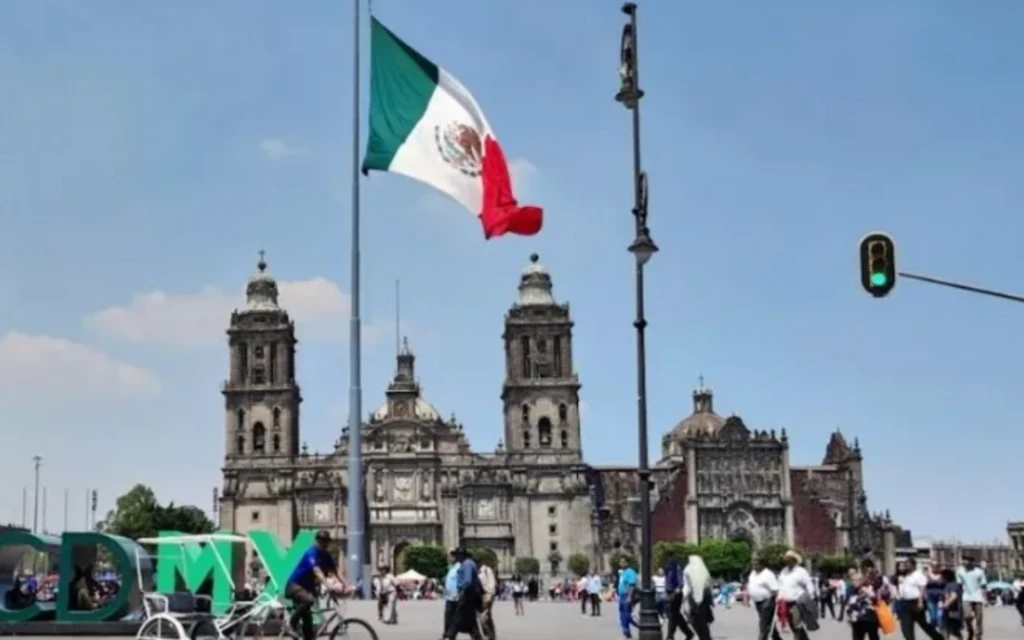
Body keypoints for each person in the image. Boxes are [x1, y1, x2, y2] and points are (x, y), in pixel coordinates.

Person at [284, 530, 348, 640]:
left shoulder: (326, 555)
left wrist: (347, 585)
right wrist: (328, 585)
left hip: (306, 589)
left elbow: (336, 571)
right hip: (293, 586)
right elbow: (317, 571)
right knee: (309, 600)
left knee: (309, 629)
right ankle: (290, 624)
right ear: (317, 541)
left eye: (327, 541)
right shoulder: (310, 553)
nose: (325, 543)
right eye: (322, 541)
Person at [895, 559, 943, 640]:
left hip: (916, 603)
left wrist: (920, 602)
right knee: (906, 627)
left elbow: (922, 588)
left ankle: (938, 638)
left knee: (924, 625)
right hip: (905, 604)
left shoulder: (918, 575)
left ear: (913, 565)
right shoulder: (906, 575)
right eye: (905, 564)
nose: (906, 566)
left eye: (908, 564)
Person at [443, 548, 482, 640]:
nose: (455, 557)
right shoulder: (466, 563)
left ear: (461, 555)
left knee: (458, 615)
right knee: (469, 617)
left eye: (456, 555)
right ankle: (477, 636)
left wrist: (461, 591)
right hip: (469, 593)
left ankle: (450, 636)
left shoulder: (467, 564)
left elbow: (467, 580)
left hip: (467, 593)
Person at [778, 550, 814, 640]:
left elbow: (808, 584)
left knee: (796, 624)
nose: (786, 562)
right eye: (786, 560)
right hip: (785, 602)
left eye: (789, 560)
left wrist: (810, 597)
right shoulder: (784, 571)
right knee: (792, 624)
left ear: (794, 560)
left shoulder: (801, 571)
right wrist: (778, 596)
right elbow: (780, 584)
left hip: (797, 602)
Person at [747, 556, 783, 640]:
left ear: (762, 565)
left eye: (756, 565)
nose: (754, 566)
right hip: (757, 601)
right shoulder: (753, 573)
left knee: (763, 623)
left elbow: (775, 590)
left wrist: (776, 601)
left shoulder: (768, 574)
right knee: (768, 623)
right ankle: (777, 638)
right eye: (753, 564)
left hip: (767, 601)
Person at [683, 555, 713, 640]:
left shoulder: (687, 569)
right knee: (703, 620)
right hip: (704, 597)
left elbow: (687, 585)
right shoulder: (704, 570)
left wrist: (684, 598)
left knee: (695, 619)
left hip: (693, 597)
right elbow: (708, 584)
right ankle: (705, 637)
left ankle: (702, 636)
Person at [664, 555, 694, 640]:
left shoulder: (676, 568)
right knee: (675, 615)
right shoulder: (668, 569)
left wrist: (674, 593)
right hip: (669, 593)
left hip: (675, 594)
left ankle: (670, 635)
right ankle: (688, 633)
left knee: (672, 615)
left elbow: (681, 584)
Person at [956, 556, 986, 640]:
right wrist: (958, 597)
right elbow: (959, 585)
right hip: (966, 596)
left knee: (979, 617)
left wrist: (985, 598)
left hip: (978, 596)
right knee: (967, 616)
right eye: (964, 561)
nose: (965, 563)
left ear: (972, 562)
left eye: (967, 561)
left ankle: (978, 635)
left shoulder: (979, 572)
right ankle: (970, 630)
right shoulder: (960, 571)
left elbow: (983, 585)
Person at [845, 571, 880, 640]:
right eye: (852, 580)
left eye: (855, 580)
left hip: (869, 619)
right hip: (857, 620)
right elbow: (849, 604)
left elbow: (876, 600)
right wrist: (848, 617)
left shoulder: (869, 588)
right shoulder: (851, 590)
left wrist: (868, 592)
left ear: (861, 580)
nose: (853, 582)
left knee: (874, 637)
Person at [616, 557, 638, 639]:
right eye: (620, 562)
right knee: (622, 615)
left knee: (626, 614)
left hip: (626, 595)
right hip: (621, 595)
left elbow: (631, 585)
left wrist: (629, 596)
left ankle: (635, 626)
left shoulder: (630, 572)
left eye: (623, 562)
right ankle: (627, 632)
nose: (621, 563)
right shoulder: (622, 573)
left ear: (627, 563)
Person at [941, 568, 964, 639]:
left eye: (942, 577)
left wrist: (946, 604)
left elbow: (954, 596)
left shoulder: (953, 585)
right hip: (949, 611)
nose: (941, 578)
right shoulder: (947, 585)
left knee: (952, 630)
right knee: (946, 629)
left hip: (953, 611)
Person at [477, 559, 497, 640]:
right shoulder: (476, 571)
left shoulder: (487, 570)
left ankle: (490, 636)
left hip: (487, 596)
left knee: (486, 616)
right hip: (479, 596)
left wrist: (489, 598)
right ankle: (486, 634)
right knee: (482, 617)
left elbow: (492, 585)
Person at [443, 552, 463, 633]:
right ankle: (447, 634)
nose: (448, 559)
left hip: (456, 597)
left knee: (454, 617)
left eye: (450, 557)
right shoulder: (451, 567)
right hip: (449, 597)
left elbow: (461, 580)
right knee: (448, 616)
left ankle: (450, 634)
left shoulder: (459, 567)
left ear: (455, 558)